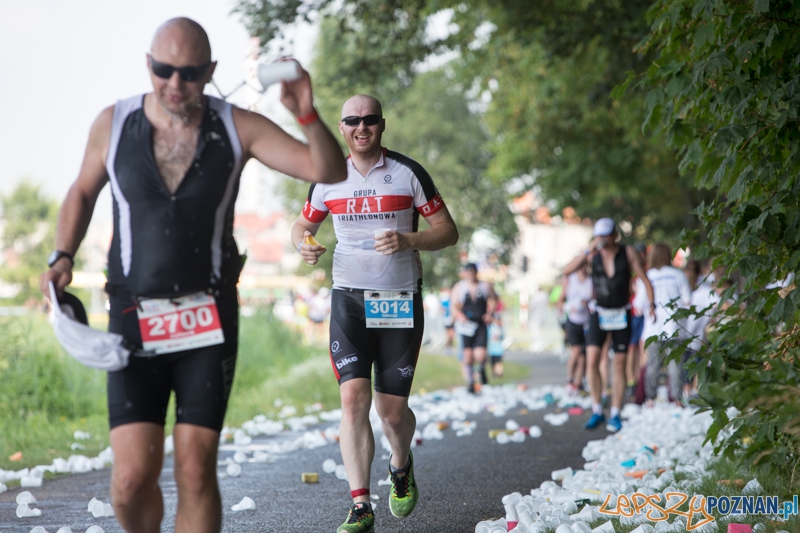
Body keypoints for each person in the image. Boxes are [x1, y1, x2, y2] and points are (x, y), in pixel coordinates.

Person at [38, 18, 346, 533]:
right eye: (163, 70)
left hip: (209, 320)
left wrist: (307, 113)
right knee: (131, 480)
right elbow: (81, 191)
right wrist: (62, 254)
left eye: (189, 73)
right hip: (135, 318)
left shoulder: (237, 125)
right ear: (147, 64)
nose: (175, 84)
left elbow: (328, 171)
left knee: (195, 470)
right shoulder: (113, 124)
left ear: (210, 71)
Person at [290, 94, 458, 533]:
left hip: (398, 299)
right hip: (348, 296)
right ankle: (361, 504)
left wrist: (408, 241)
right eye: (352, 121)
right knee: (352, 399)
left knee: (392, 412)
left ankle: (400, 465)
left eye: (369, 120)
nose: (361, 127)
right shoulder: (327, 176)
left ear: (381, 125)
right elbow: (302, 225)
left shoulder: (408, 173)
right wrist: (303, 245)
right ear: (342, 128)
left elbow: (447, 232)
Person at [562, 217, 655, 432]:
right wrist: (587, 252)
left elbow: (645, 279)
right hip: (599, 313)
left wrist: (651, 305)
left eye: (606, 235)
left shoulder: (628, 252)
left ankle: (615, 413)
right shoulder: (592, 255)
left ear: (614, 235)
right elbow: (567, 270)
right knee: (592, 359)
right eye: (599, 236)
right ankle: (597, 409)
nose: (603, 240)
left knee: (620, 364)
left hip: (621, 314)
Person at [641, 243, 691, 405]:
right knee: (675, 364)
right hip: (675, 326)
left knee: (653, 363)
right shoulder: (678, 275)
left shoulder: (647, 276)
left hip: (653, 327)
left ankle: (650, 399)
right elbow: (687, 301)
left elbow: (639, 304)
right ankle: (677, 399)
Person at [451, 263, 499, 393]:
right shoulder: (460, 287)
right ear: (465, 273)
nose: (471, 273)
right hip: (466, 325)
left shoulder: (485, 286)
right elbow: (454, 306)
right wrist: (459, 316)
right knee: (468, 357)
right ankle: (471, 382)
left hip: (481, 324)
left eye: (473, 271)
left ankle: (482, 370)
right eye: (468, 271)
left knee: (480, 355)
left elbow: (494, 299)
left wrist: (490, 314)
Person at [558, 263, 593, 395]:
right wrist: (568, 307)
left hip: (587, 322)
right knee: (576, 351)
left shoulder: (591, 280)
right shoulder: (570, 280)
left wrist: (587, 303)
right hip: (572, 321)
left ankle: (578, 384)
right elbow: (560, 301)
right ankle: (569, 379)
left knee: (583, 357)